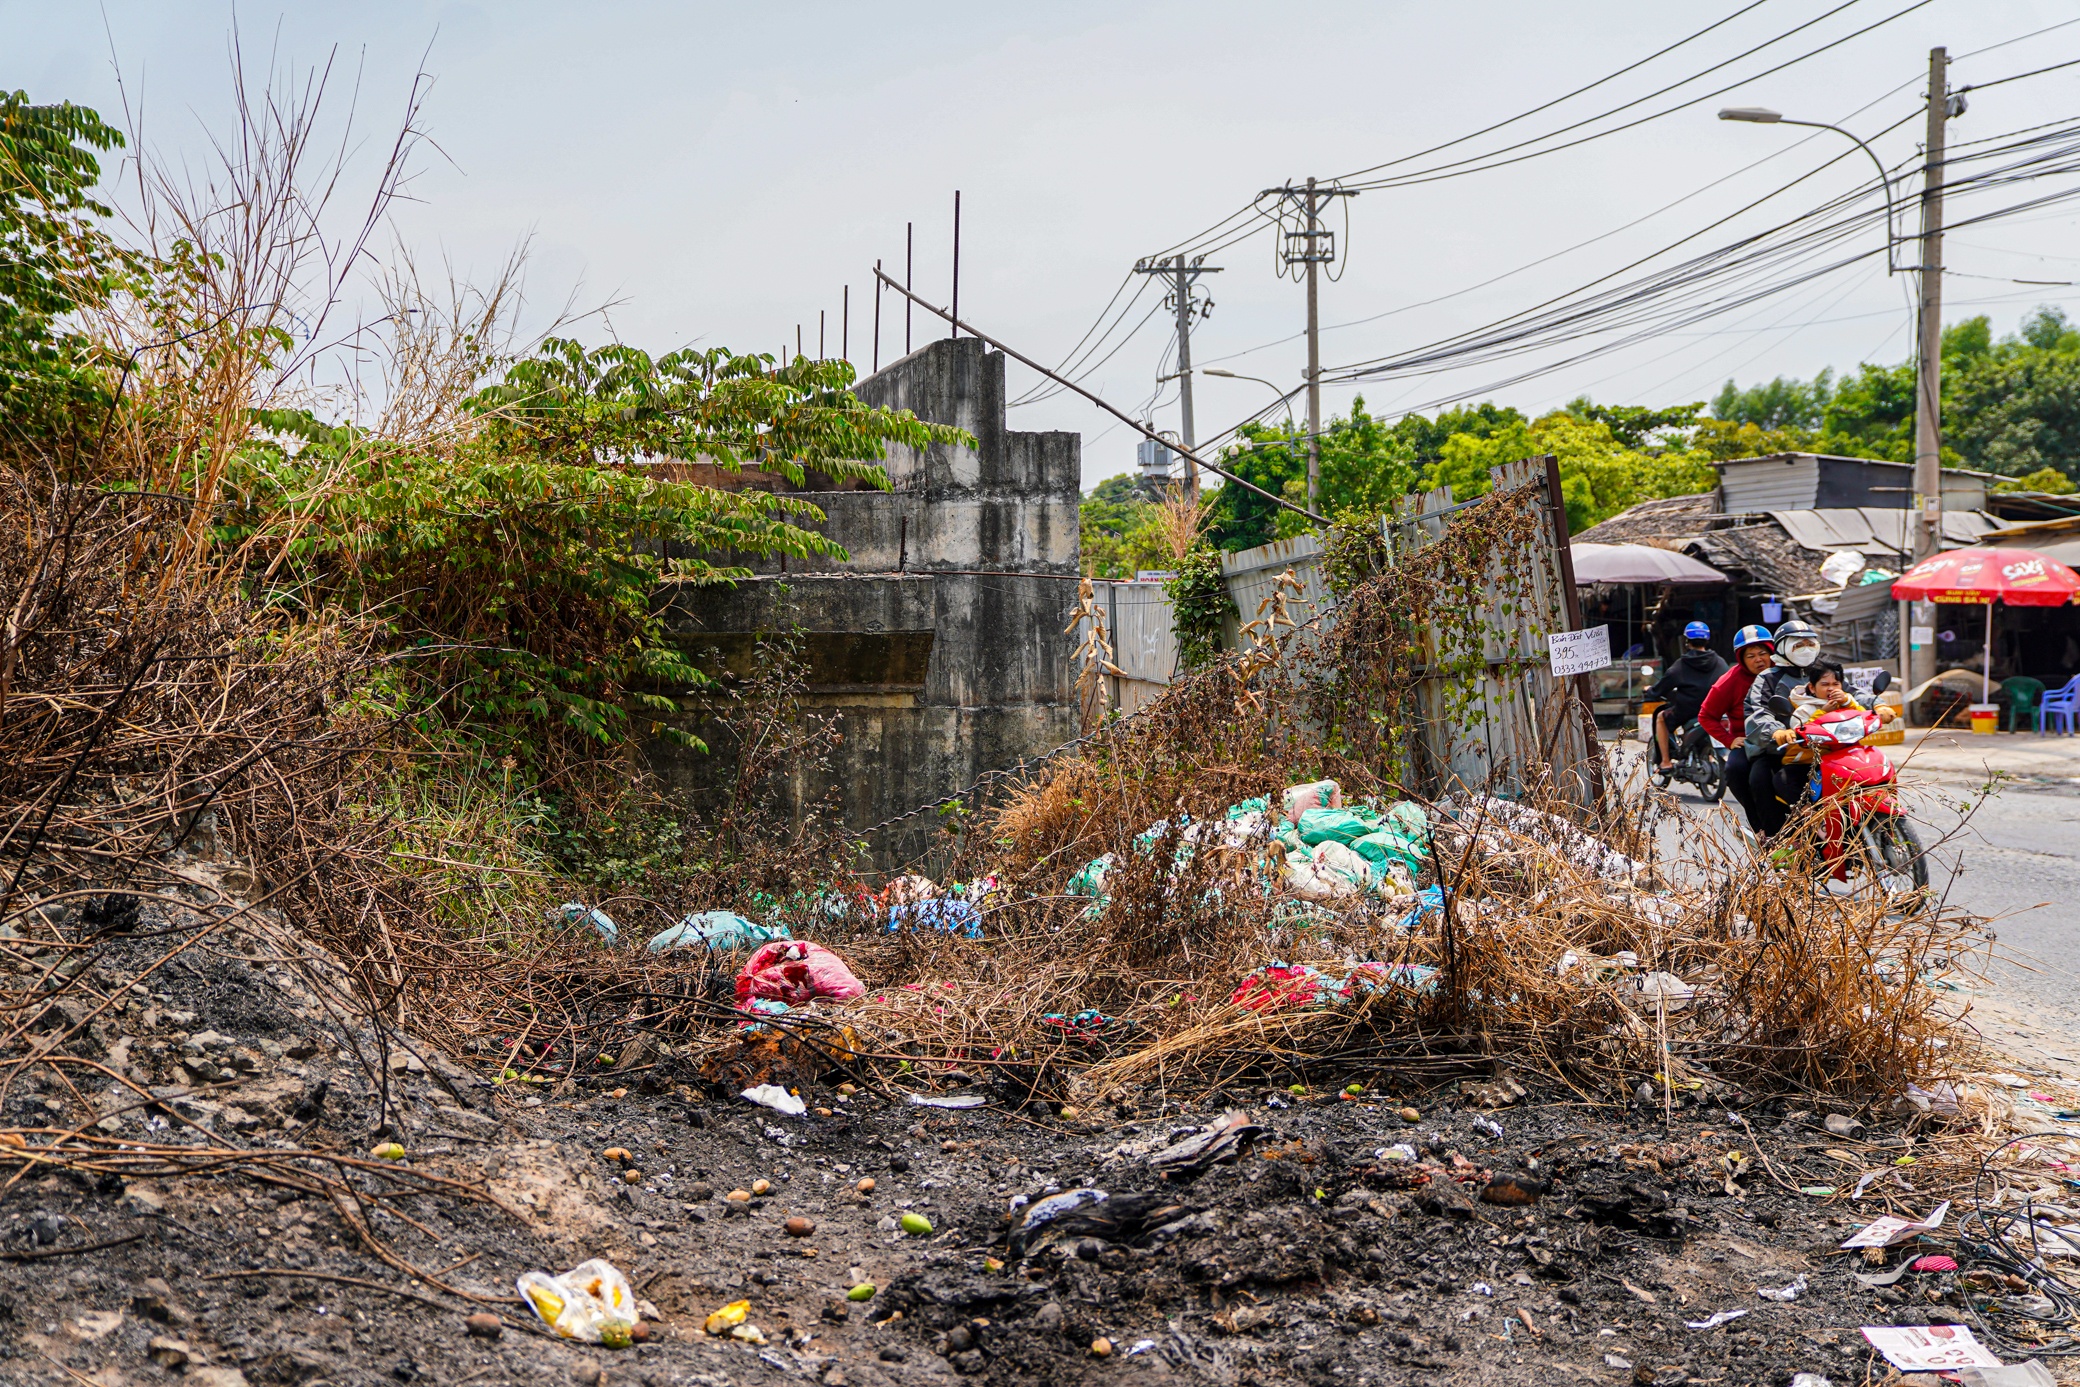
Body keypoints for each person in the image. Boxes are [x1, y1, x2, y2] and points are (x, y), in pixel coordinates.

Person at [1742, 618, 1824, 837]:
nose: (1805, 650)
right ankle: (1777, 839)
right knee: (1760, 779)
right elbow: (1758, 711)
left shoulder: (1823, 671)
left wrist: (1877, 705)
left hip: (1826, 745)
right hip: (1781, 749)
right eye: (1798, 645)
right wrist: (1776, 731)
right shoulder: (1767, 678)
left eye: (1809, 644)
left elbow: (1850, 691)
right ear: (1782, 648)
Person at [1700, 625, 1774, 832]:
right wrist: (1729, 740)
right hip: (1749, 741)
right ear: (1741, 658)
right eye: (1750, 656)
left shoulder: (1783, 672)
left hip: (1787, 737)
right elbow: (1706, 716)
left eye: (1763, 653)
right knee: (1735, 771)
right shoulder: (1729, 682)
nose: (1758, 659)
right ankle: (1760, 827)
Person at [1645, 621, 1729, 771]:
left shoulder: (1681, 665)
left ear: (1686, 641)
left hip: (1689, 711)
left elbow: (1661, 688)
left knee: (1661, 717)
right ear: (1707, 640)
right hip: (1716, 710)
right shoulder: (1720, 663)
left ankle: (1665, 761)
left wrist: (1650, 691)